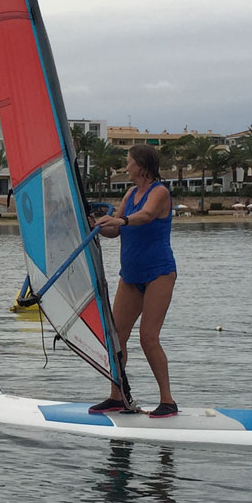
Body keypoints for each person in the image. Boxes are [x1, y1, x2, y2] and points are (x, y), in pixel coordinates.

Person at [90, 144, 179, 418]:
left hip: (159, 273)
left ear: (141, 165)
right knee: (116, 337)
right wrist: (95, 224)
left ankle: (168, 401)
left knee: (148, 338)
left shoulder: (159, 192)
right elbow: (116, 230)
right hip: (130, 276)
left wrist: (121, 220)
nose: (125, 167)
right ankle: (117, 397)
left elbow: (146, 216)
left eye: (128, 162)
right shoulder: (130, 193)